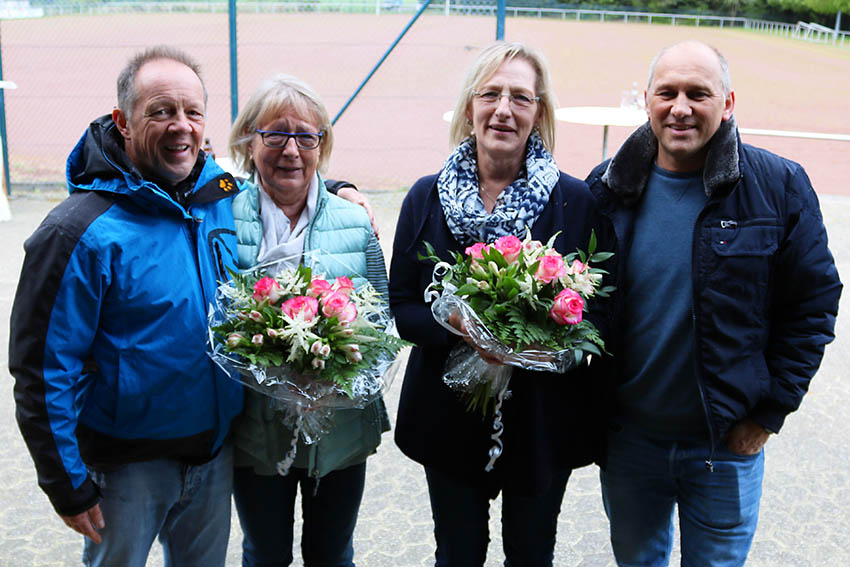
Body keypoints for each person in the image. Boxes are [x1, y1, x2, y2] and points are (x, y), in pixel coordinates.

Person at [585, 40, 842, 566]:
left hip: (725, 447)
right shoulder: (607, 188)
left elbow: (813, 306)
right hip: (630, 443)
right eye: (668, 93)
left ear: (727, 103)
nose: (681, 107)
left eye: (698, 93)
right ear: (648, 102)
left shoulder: (779, 186)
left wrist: (769, 415)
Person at [8, 46, 244, 566]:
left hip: (213, 455)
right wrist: (64, 482)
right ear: (124, 122)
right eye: (161, 111)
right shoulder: (77, 231)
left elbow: (283, 189)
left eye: (193, 112)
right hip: (126, 471)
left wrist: (342, 188)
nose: (181, 126)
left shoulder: (219, 197)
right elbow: (42, 368)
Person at [389, 42, 608, 566]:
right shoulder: (425, 197)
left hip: (541, 422)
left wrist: (535, 344)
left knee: (532, 556)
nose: (504, 110)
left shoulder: (576, 203)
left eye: (521, 98)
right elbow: (401, 304)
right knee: (458, 554)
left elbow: (600, 317)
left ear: (539, 113)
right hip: (447, 417)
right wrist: (460, 330)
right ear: (470, 108)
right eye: (490, 94)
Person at [227, 74, 391, 567]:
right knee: (265, 553)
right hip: (256, 431)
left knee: (332, 552)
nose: (291, 149)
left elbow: (382, 326)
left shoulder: (355, 221)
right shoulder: (220, 218)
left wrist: (343, 379)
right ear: (249, 141)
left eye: (306, 135)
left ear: (323, 144)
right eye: (275, 134)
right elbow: (213, 324)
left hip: (339, 429)